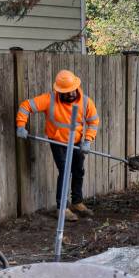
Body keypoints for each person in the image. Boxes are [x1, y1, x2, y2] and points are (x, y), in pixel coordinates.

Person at [15, 69, 100, 221]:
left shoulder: (86, 101)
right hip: (58, 142)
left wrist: (88, 140)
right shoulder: (49, 99)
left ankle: (77, 202)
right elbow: (25, 106)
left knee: (78, 171)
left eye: (72, 90)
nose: (71, 94)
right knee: (65, 171)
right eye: (67, 92)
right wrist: (21, 125)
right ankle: (62, 209)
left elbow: (93, 122)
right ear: (59, 92)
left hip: (77, 142)